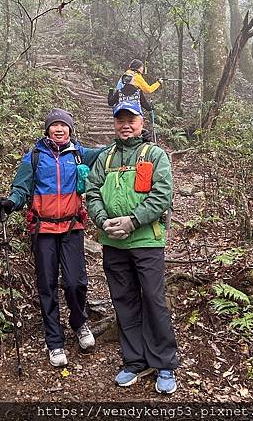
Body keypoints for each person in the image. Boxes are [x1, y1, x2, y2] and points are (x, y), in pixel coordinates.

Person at [0, 108, 103, 368]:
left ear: (70, 130)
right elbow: (21, 188)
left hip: (72, 227)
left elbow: (105, 153)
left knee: (76, 282)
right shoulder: (33, 157)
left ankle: (79, 322)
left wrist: (128, 140)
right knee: (47, 286)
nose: (59, 129)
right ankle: (54, 341)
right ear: (47, 130)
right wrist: (11, 202)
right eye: (54, 125)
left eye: (63, 125)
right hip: (43, 230)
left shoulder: (79, 154)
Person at [85, 101, 178, 394]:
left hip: (147, 240)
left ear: (141, 123)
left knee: (153, 299)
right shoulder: (106, 157)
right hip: (113, 242)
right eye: (120, 120)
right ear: (115, 124)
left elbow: (162, 195)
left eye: (131, 119)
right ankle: (134, 361)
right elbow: (92, 191)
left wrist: (132, 220)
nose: (126, 124)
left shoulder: (154, 154)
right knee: (123, 300)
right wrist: (102, 220)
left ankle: (164, 363)